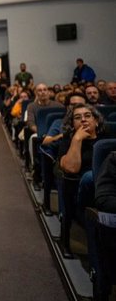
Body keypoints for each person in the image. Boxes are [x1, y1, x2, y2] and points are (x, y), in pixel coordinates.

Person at [57, 103, 107, 257]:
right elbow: (71, 169)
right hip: (80, 192)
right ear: (72, 124)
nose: (83, 120)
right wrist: (77, 140)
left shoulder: (107, 140)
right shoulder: (68, 141)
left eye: (88, 116)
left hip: (108, 187)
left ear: (96, 121)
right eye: (78, 118)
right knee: (89, 176)